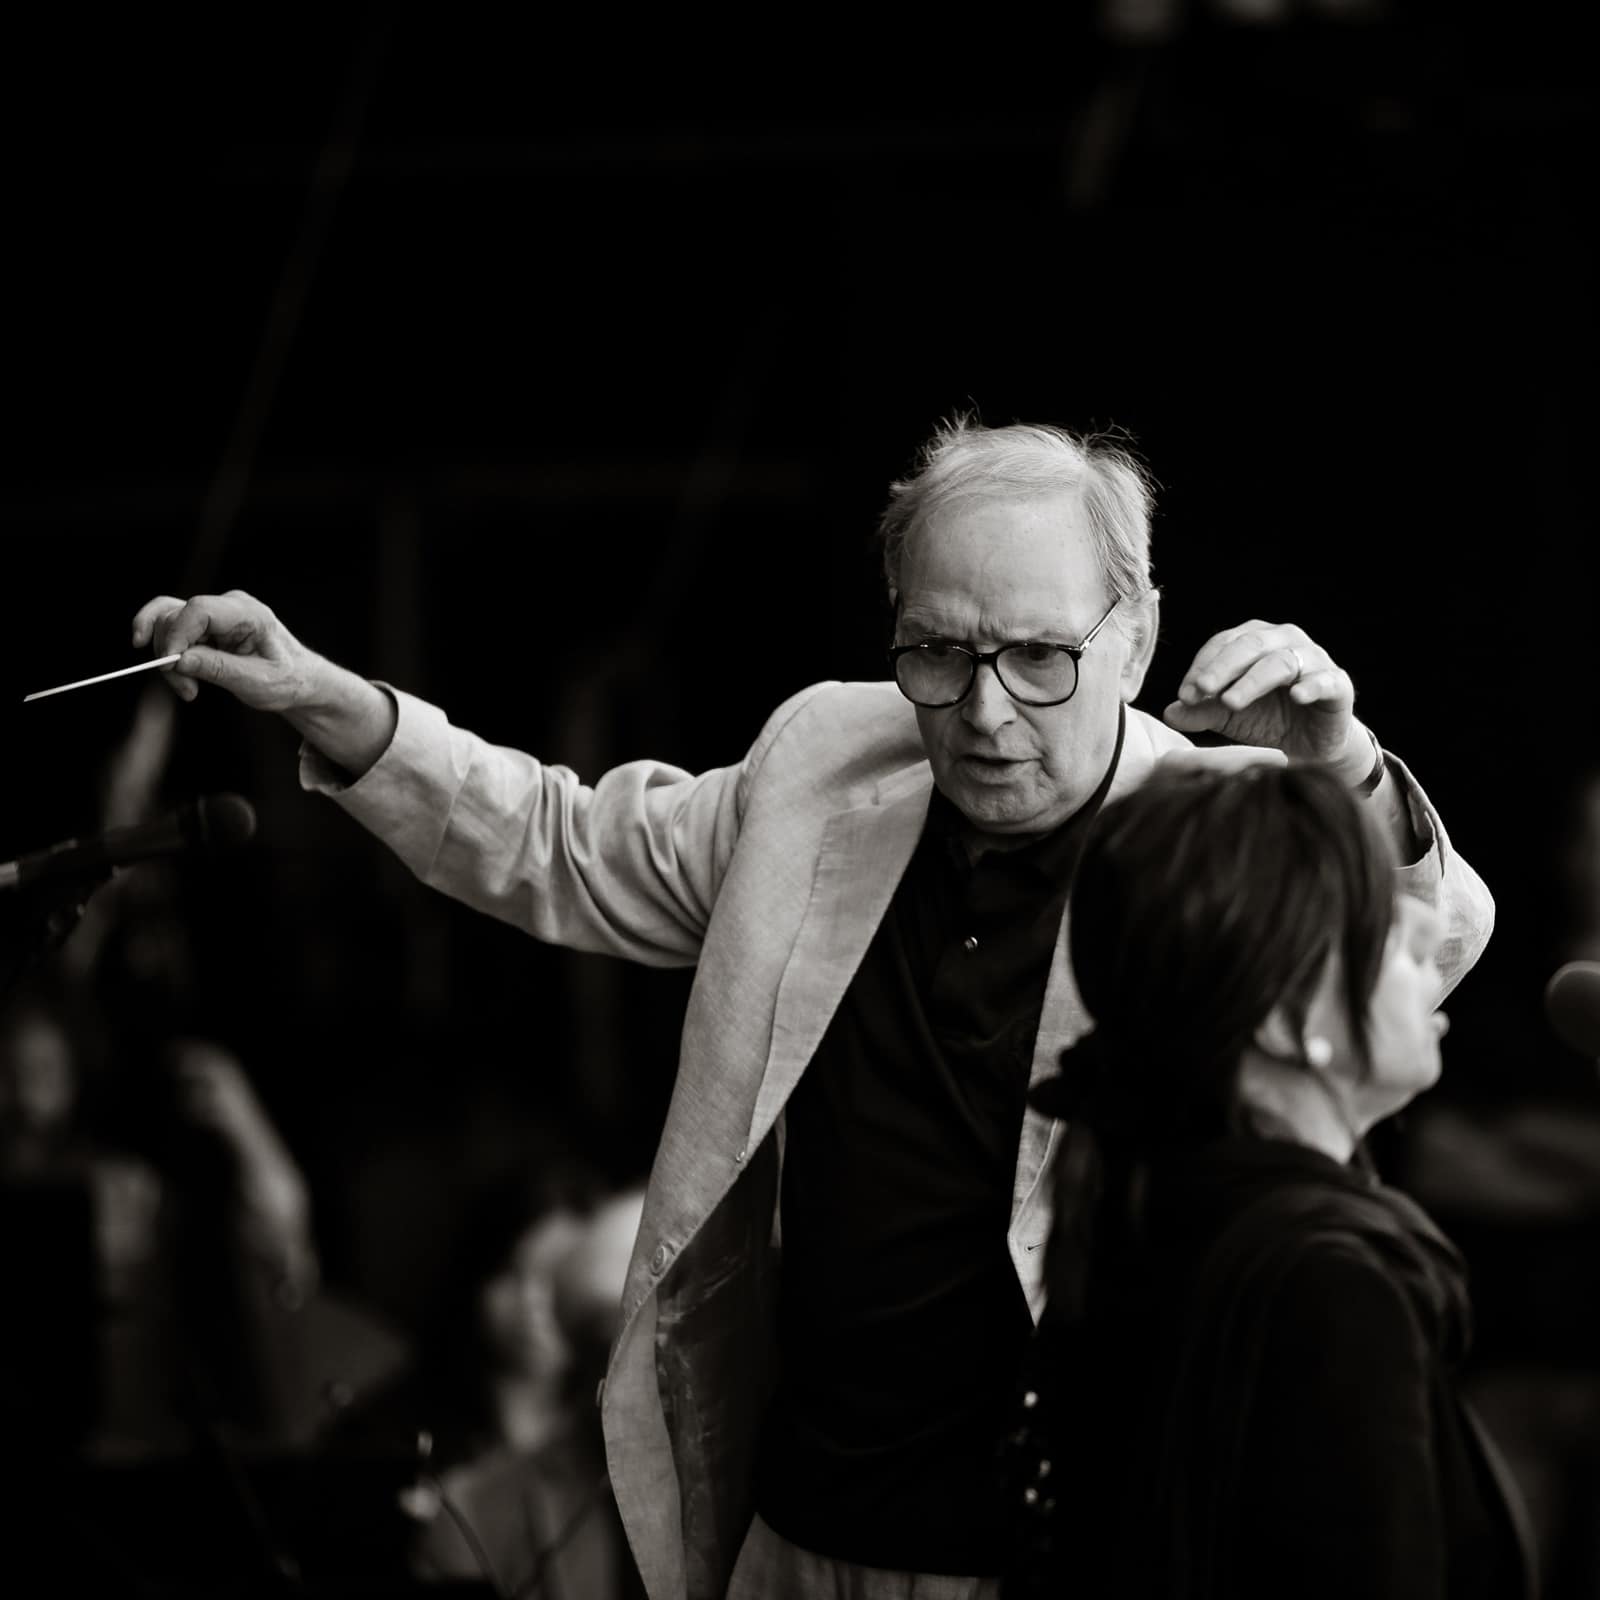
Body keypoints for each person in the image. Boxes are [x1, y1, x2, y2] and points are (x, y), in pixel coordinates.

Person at [131, 416, 1493, 1598]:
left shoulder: (1216, 819)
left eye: (1038, 656)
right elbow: (564, 843)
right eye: (938, 651)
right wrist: (328, 701)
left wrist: (1348, 773)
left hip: (1062, 1542)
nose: (983, 711)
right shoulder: (826, 759)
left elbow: (1421, 961)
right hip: (795, 1528)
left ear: (1134, 635)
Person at [999, 760, 1532, 1599]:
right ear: (1288, 1022)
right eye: (1381, 921)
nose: (1428, 935)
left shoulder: (1150, 1208)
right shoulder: (1327, 1286)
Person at [326, 1157, 644, 1598]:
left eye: (556, 1276)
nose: (534, 1301)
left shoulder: (619, 1441)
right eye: (512, 1273)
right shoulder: (400, 1434)